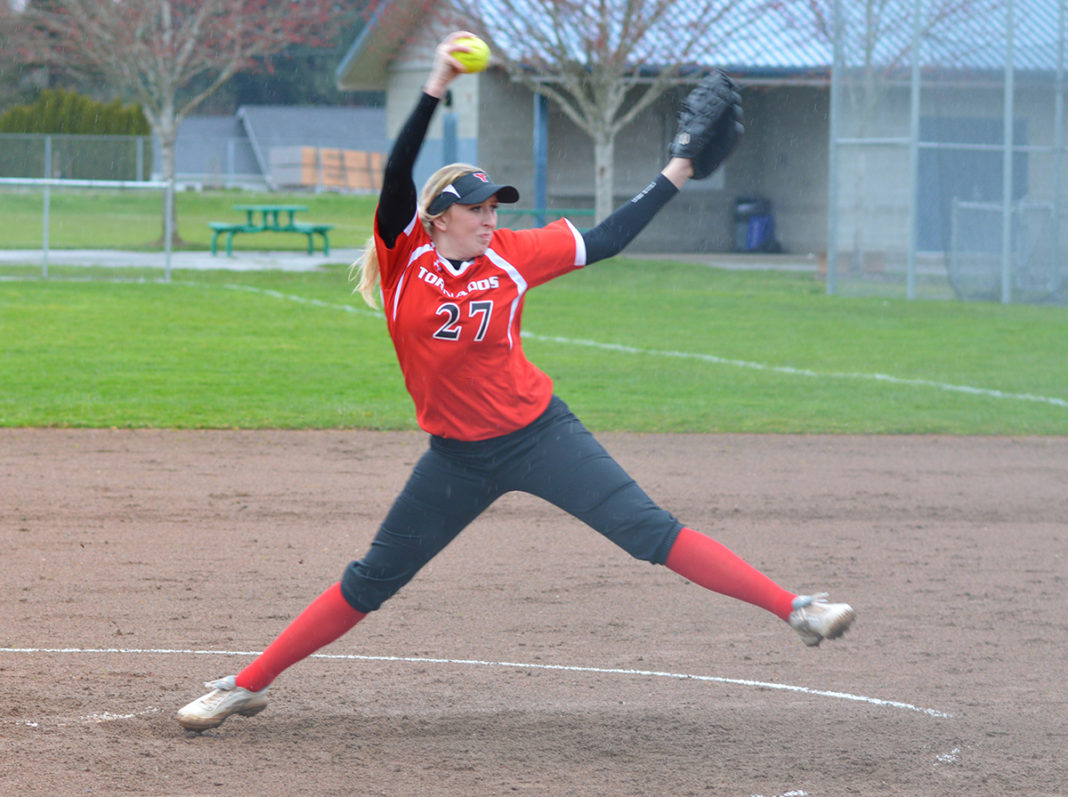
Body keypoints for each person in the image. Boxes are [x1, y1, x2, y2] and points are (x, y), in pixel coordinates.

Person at [177, 31, 855, 732]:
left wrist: (678, 167)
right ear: (440, 218)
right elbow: (398, 174)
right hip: (457, 458)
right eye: (477, 209)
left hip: (540, 434)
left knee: (647, 529)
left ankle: (795, 608)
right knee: (370, 580)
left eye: (495, 208)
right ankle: (244, 683)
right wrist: (435, 81)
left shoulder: (512, 254)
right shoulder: (404, 255)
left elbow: (611, 236)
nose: (490, 219)